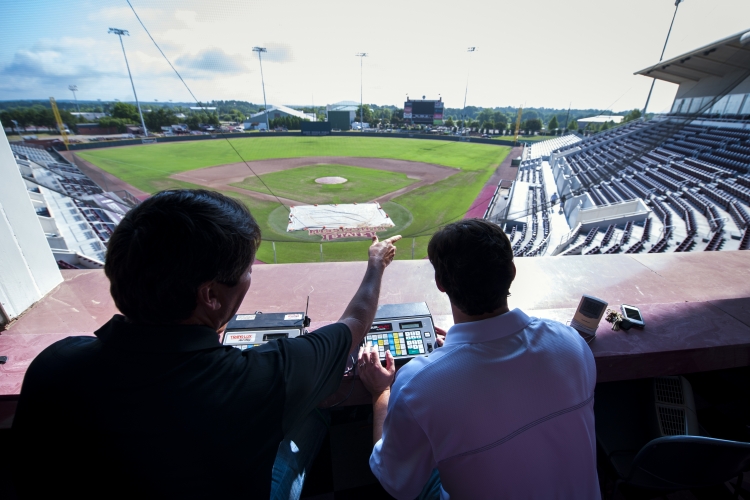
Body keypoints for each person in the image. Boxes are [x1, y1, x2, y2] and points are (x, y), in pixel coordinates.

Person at [12, 189, 401, 499]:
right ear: (211, 296)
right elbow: (354, 324)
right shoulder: (265, 376)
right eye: (248, 269)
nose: (250, 276)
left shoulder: (54, 365)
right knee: (308, 414)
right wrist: (376, 263)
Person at [358, 219, 599, 499]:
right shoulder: (571, 342)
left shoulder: (418, 385)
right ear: (511, 271)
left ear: (440, 283)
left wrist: (381, 393)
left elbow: (395, 482)